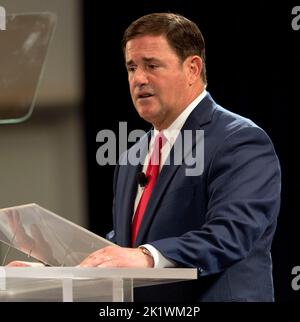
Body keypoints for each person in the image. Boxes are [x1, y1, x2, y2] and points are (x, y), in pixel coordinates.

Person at [12, 13, 281, 301]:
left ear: (192, 68)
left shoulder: (238, 140)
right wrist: (58, 269)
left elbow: (230, 234)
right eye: (131, 67)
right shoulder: (133, 155)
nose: (139, 78)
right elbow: (126, 248)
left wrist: (147, 256)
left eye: (152, 65)